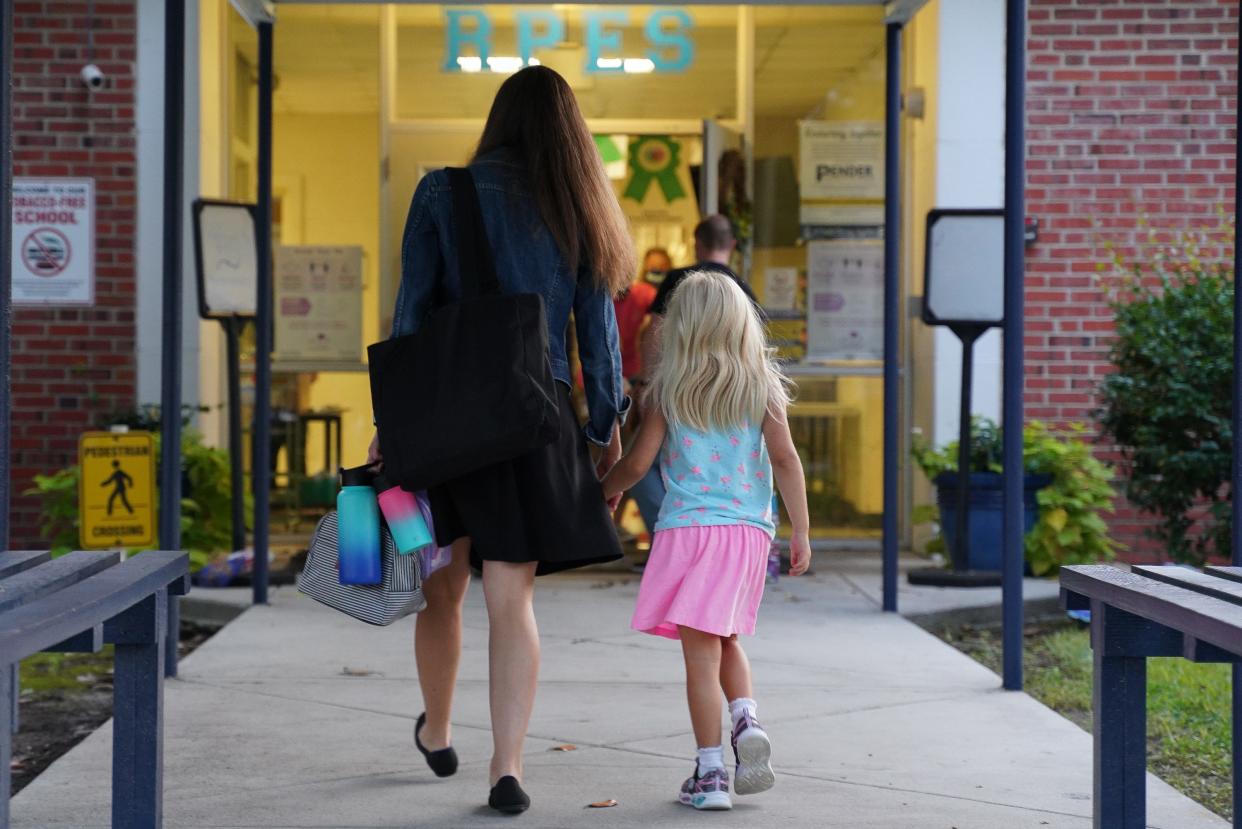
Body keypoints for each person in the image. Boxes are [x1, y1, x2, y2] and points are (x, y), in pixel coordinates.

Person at [367, 65, 632, 815]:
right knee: (511, 598)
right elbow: (598, 333)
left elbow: (411, 316)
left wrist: (393, 424)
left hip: (448, 410)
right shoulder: (577, 205)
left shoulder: (440, 192)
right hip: (534, 415)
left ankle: (439, 727)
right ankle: (506, 766)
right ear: (568, 132)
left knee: (440, 587)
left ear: (498, 118)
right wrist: (604, 424)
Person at [601, 271, 811, 812]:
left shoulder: (669, 391)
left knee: (699, 657)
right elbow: (786, 459)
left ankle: (711, 773)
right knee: (728, 638)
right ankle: (745, 718)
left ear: (682, 330)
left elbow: (639, 464)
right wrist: (801, 531)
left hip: (689, 534)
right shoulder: (761, 386)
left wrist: (602, 491)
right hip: (747, 535)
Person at [628, 215, 760, 537]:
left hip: (679, 395)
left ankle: (671, 531)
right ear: (731, 245)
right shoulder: (742, 289)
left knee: (643, 467)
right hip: (731, 400)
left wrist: (647, 384)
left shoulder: (680, 281)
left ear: (696, 244)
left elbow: (654, 334)